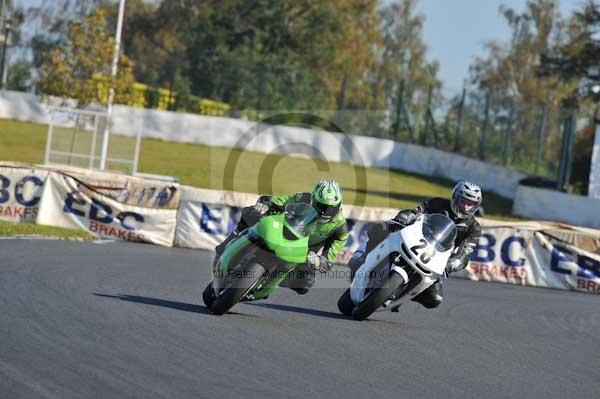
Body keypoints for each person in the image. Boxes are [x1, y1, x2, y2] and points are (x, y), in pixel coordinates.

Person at [348, 181, 482, 310]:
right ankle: (363, 256)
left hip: (435, 257)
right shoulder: (437, 203)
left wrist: (456, 262)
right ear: (455, 198)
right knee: (382, 228)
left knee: (434, 299)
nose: (466, 207)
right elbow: (418, 211)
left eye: (471, 204)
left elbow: (466, 250)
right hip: (414, 238)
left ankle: (402, 294)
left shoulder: (474, 228)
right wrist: (407, 216)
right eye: (464, 202)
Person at [214, 179, 349, 295]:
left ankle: (269, 282)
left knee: (304, 284)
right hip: (283, 230)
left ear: (340, 205)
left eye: (331, 208)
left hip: (302, 252)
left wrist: (319, 261)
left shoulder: (340, 229)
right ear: (313, 199)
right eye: (321, 207)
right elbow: (274, 200)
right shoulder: (303, 198)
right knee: (252, 213)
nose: (325, 213)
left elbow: (329, 261)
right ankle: (228, 243)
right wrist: (265, 205)